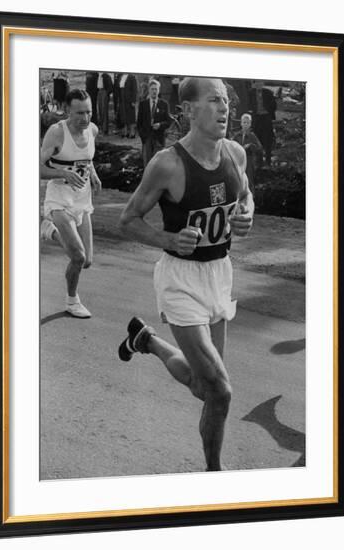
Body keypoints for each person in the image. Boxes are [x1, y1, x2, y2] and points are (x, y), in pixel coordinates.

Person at [118, 77, 254, 471]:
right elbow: (127, 221)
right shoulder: (168, 163)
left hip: (219, 275)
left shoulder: (235, 154)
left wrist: (246, 216)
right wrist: (168, 239)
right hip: (180, 280)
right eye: (214, 101)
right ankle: (214, 474)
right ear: (189, 110)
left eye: (226, 101)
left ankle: (148, 342)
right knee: (221, 392)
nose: (225, 108)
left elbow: (245, 196)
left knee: (204, 388)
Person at [40, 89, 102, 318]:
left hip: (82, 199)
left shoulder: (92, 130)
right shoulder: (56, 133)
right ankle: (71, 301)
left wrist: (93, 175)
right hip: (59, 200)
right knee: (77, 256)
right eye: (79, 113)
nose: (85, 118)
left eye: (89, 112)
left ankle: (50, 232)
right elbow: (36, 167)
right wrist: (64, 174)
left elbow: (87, 159)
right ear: (67, 111)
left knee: (87, 261)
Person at [137, 79, 173, 167]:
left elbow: (168, 121)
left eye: (156, 89)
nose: (154, 91)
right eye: (152, 89)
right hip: (147, 138)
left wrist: (160, 125)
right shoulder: (143, 104)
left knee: (158, 165)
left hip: (159, 139)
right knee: (147, 164)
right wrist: (143, 137)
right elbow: (139, 123)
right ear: (149, 90)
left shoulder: (164, 104)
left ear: (159, 90)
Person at [232, 113, 263, 193]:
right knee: (238, 179)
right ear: (241, 123)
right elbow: (231, 147)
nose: (245, 124)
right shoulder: (237, 135)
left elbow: (259, 148)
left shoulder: (252, 136)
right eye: (244, 122)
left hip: (249, 160)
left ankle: (250, 199)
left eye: (247, 123)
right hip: (238, 161)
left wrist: (250, 146)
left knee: (249, 180)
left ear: (250, 124)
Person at [249, 81, 277, 166]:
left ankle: (268, 161)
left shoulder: (268, 92)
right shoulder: (251, 92)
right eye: (256, 83)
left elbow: (274, 105)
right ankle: (259, 161)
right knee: (257, 139)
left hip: (266, 117)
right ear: (254, 84)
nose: (258, 85)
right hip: (256, 118)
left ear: (263, 84)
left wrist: (269, 112)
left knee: (267, 139)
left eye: (260, 83)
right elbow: (249, 103)